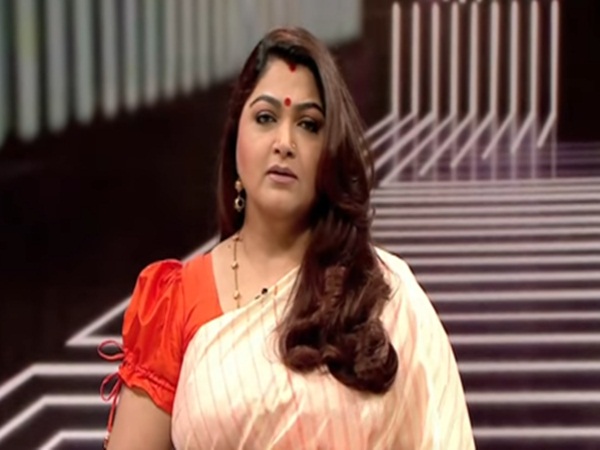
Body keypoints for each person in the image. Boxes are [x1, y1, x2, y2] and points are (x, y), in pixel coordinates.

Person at [98, 26, 475, 450]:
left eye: (309, 125)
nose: (285, 142)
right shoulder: (177, 302)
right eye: (265, 118)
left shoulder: (384, 292)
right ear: (235, 138)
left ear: (331, 151)